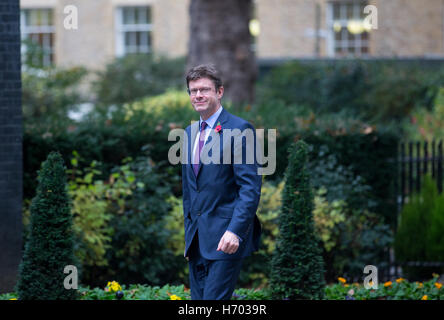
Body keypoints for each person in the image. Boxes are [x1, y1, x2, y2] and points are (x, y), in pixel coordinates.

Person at [181, 64, 262, 300]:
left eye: (204, 89)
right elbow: (189, 191)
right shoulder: (189, 133)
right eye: (193, 91)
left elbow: (249, 188)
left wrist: (235, 231)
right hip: (196, 241)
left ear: (220, 92)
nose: (198, 95)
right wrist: (189, 236)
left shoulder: (240, 129)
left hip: (226, 238)